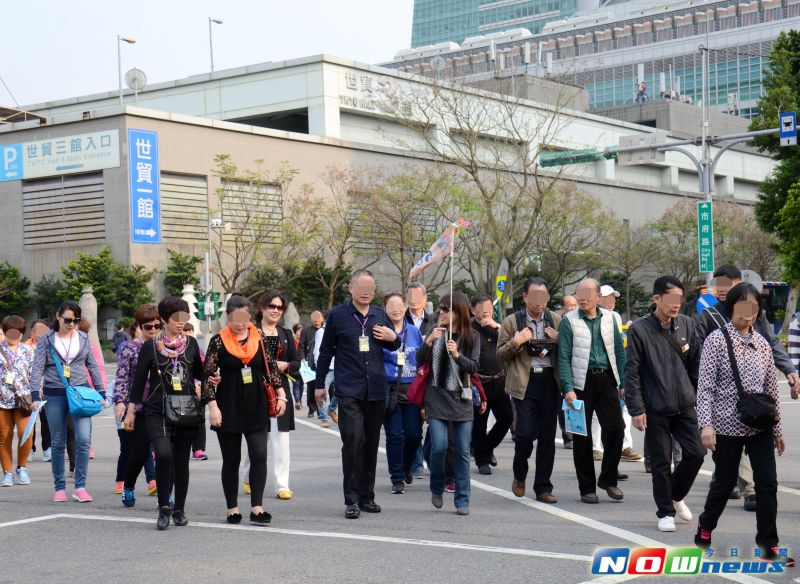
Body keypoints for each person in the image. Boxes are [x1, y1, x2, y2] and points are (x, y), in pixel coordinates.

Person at [694, 283, 791, 564]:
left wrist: (777, 429)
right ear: (731, 307)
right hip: (725, 425)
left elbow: (772, 389)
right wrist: (706, 425)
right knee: (723, 485)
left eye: (754, 308)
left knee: (768, 485)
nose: (748, 314)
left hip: (759, 424)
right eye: (742, 307)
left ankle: (768, 542)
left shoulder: (762, 343)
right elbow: (706, 389)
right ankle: (705, 526)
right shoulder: (716, 341)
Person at [315, 270, 401, 519]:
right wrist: (319, 383)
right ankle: (351, 499)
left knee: (371, 444)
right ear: (350, 287)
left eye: (371, 287)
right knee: (353, 441)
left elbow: (394, 346)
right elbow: (326, 352)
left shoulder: (379, 315)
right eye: (361, 286)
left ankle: (367, 497)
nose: (366, 291)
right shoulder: (338, 316)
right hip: (348, 389)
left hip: (375, 389)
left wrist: (392, 337)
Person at [624, 276, 705, 532]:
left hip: (685, 404)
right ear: (656, 298)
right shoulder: (639, 329)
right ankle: (665, 512)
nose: (675, 305)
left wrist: (697, 397)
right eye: (670, 300)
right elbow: (632, 372)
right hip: (656, 406)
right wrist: (636, 409)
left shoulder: (688, 325)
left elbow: (697, 366)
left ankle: (675, 494)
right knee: (660, 463)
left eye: (679, 300)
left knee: (696, 454)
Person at [203, 294, 286, 525]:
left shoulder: (258, 337)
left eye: (244, 317)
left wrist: (282, 396)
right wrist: (213, 408)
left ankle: (257, 507)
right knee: (231, 460)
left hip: (256, 404)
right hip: (227, 406)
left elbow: (270, 369)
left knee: (259, 455)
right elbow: (208, 376)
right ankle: (232, 508)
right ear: (228, 316)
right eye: (234, 317)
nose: (240, 322)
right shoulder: (218, 341)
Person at [125, 297, 204, 530]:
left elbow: (199, 373)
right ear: (164, 319)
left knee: (181, 461)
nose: (181, 323)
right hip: (156, 409)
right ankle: (163, 508)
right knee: (164, 454)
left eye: (185, 318)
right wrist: (130, 412)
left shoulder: (190, 345)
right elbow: (138, 383)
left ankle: (178, 509)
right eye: (175, 318)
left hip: (186, 408)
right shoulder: (150, 347)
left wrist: (207, 385)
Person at [29, 302, 106, 503]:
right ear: (58, 317)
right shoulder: (46, 340)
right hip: (54, 394)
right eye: (68, 320)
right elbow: (37, 368)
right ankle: (60, 487)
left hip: (80, 393)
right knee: (57, 441)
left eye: (76, 320)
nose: (72, 324)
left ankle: (80, 486)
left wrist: (101, 392)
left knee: (83, 439)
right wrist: (35, 396)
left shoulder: (83, 338)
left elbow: (93, 365)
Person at [558, 278, 626, 504]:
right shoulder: (569, 321)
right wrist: (567, 388)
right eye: (579, 292)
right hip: (580, 383)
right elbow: (564, 356)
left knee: (616, 428)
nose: (583, 297)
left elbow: (619, 350)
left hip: (606, 380)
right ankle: (587, 488)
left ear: (598, 296)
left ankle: (608, 479)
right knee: (581, 437)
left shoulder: (610, 318)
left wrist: (623, 382)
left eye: (588, 293)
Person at [416, 292, 483, 515]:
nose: (442, 313)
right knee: (439, 447)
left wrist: (457, 355)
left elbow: (474, 367)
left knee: (463, 451)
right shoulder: (433, 332)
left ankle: (462, 499)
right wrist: (429, 341)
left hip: (461, 401)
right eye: (441, 309)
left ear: (458, 312)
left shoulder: (471, 336)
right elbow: (420, 360)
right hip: (436, 398)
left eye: (447, 309)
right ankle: (437, 486)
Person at [497, 278, 561, 503]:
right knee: (524, 434)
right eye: (534, 297)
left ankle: (543, 487)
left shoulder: (556, 320)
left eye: (543, 297)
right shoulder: (512, 321)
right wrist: (517, 341)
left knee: (546, 439)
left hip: (550, 384)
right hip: (524, 382)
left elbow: (567, 353)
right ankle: (519, 475)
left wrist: (559, 339)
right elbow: (500, 355)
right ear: (524, 297)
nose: (538, 302)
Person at [255, 291, 300, 500]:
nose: (275, 310)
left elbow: (298, 362)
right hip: (255, 390)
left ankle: (282, 484)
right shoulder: (251, 332)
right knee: (256, 439)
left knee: (281, 440)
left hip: (281, 391)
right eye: (271, 306)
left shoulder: (286, 334)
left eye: (279, 307)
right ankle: (248, 477)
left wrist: (287, 365)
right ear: (262, 308)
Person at [114, 304, 161, 505]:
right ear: (139, 326)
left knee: (164, 451)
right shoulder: (130, 348)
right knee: (140, 451)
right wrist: (120, 402)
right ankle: (129, 486)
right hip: (139, 406)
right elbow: (122, 377)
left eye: (157, 325)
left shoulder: (166, 345)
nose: (153, 329)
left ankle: (165, 493)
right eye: (148, 326)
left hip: (163, 406)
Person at [595, 284, 643, 464]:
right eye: (607, 297)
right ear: (598, 297)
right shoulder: (591, 315)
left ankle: (624, 446)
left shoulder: (615, 316)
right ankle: (595, 447)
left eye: (613, 298)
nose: (611, 301)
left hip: (619, 368)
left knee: (624, 408)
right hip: (601, 371)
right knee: (599, 413)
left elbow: (619, 344)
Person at [382, 292, 424, 494]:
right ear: (385, 309)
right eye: (392, 306)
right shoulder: (380, 331)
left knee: (414, 435)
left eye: (400, 305)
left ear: (406, 308)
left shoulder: (414, 331)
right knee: (394, 436)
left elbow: (422, 357)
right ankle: (397, 477)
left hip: (413, 390)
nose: (396, 309)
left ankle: (407, 465)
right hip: (390, 390)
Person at [471, 294, 512, 476]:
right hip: (479, 382)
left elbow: (512, 342)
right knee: (479, 424)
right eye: (481, 311)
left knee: (507, 418)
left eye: (488, 311)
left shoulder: (498, 328)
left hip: (499, 380)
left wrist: (496, 326)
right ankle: (482, 461)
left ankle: (486, 448)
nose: (485, 314)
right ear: (473, 311)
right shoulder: (469, 329)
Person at [0, 315, 35, 487]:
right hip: (2, 399)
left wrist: (38, 397)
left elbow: (35, 375)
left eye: (18, 333)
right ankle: (7, 472)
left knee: (25, 433)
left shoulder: (28, 351)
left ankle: (22, 467)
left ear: (22, 334)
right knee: (3, 437)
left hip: (24, 399)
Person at [25, 320, 50, 462]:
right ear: (32, 332)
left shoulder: (51, 347)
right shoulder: (25, 348)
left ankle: (47, 448)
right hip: (29, 390)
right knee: (30, 422)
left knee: (47, 421)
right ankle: (30, 448)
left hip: (47, 388)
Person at [184, 323, 209, 461]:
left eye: (190, 331)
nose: (188, 333)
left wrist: (200, 385)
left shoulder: (199, 351)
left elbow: (203, 371)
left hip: (198, 390)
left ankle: (198, 449)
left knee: (199, 420)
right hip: (181, 389)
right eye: (185, 331)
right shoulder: (175, 349)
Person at [299, 311, 325, 417]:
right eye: (314, 317)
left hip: (323, 362)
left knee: (323, 386)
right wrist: (302, 359)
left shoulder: (326, 330)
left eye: (318, 317)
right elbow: (301, 346)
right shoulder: (305, 331)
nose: (316, 319)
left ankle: (321, 410)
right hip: (309, 363)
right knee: (311, 387)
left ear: (322, 318)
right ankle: (312, 408)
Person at [291, 323, 304, 408]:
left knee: (302, 384)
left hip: (303, 365)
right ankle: (297, 401)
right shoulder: (291, 341)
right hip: (293, 365)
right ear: (295, 332)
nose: (301, 333)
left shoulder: (305, 341)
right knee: (296, 383)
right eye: (299, 332)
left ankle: (299, 399)